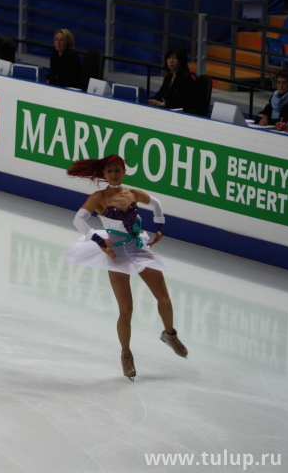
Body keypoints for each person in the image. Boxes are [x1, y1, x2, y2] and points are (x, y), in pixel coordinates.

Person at [65, 155, 187, 380]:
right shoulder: (99, 197)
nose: (113, 174)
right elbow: (78, 220)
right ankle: (126, 354)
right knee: (126, 310)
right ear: (104, 173)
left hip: (138, 249)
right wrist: (99, 241)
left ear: (124, 171)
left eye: (117, 170)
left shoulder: (133, 193)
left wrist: (160, 228)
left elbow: (156, 204)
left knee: (164, 297)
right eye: (110, 171)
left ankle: (170, 335)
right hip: (116, 255)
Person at [148, 45, 196, 112]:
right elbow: (160, 95)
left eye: (174, 58)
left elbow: (183, 103)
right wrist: (149, 100)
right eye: (169, 58)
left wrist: (162, 104)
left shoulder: (186, 79)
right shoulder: (168, 77)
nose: (171, 61)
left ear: (181, 60)